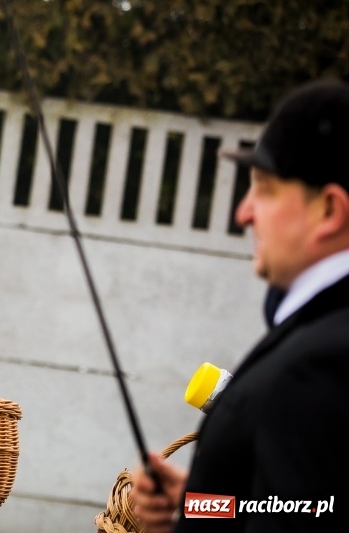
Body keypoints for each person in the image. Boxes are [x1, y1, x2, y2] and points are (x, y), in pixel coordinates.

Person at [130, 78, 349, 531]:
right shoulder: (320, 332)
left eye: (265, 189)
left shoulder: (317, 366)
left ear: (329, 211)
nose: (244, 213)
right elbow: (311, 507)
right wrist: (199, 501)